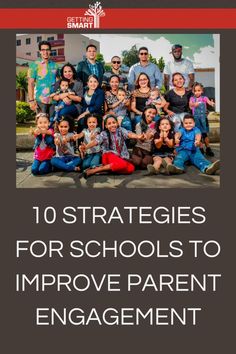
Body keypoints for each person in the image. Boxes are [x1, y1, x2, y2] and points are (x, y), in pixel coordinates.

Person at [81, 114, 144, 178]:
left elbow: (129, 134)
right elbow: (95, 141)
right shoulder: (104, 134)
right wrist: (86, 147)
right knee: (122, 164)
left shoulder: (121, 130)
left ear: (117, 123)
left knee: (131, 168)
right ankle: (95, 170)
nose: (112, 125)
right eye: (109, 123)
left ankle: (106, 169)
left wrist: (138, 136)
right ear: (106, 126)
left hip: (120, 157)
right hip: (108, 155)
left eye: (114, 122)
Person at [28, 40, 59, 116]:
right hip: (40, 101)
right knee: (42, 125)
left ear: (50, 51)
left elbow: (59, 81)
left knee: (53, 124)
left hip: (53, 101)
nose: (45, 52)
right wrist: (31, 100)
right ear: (40, 52)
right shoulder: (34, 65)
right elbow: (30, 83)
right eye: (43, 50)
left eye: (47, 49)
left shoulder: (55, 65)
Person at [189, 82, 215, 156]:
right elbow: (190, 106)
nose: (197, 92)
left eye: (199, 90)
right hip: (196, 119)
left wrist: (211, 103)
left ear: (202, 91)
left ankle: (208, 148)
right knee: (198, 134)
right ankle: (200, 148)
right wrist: (194, 104)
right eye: (195, 91)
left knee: (205, 134)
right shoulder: (192, 98)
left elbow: (209, 102)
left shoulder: (204, 98)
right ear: (193, 91)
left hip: (203, 119)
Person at [131, 105, 157, 169]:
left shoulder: (156, 125)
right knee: (137, 162)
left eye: (153, 113)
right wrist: (146, 136)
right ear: (145, 112)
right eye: (149, 112)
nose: (151, 115)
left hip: (149, 150)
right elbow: (140, 141)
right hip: (139, 148)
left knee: (145, 164)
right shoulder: (139, 125)